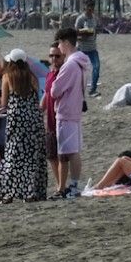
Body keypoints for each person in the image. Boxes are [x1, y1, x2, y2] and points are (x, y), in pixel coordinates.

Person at [0, 51, 47, 203]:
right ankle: (31, 193)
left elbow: (4, 103)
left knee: (12, 156)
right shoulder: (32, 77)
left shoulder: (7, 77)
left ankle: (8, 193)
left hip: (17, 120)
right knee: (32, 158)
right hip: (33, 120)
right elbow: (36, 98)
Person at [48, 31, 89, 198]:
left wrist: (53, 89)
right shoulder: (82, 61)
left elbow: (55, 91)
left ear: (65, 43)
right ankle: (68, 187)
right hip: (75, 109)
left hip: (66, 112)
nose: (58, 47)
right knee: (71, 151)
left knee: (69, 152)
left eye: (59, 43)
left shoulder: (70, 64)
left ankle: (72, 187)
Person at [74, 0, 103, 96]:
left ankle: (93, 89)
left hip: (92, 48)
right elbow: (75, 34)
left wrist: (96, 31)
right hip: (82, 48)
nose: (90, 8)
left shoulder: (94, 18)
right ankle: (76, 89)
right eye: (88, 6)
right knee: (78, 70)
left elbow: (96, 30)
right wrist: (83, 35)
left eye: (92, 6)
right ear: (85, 7)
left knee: (96, 67)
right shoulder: (80, 19)